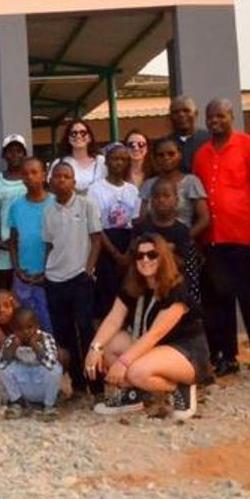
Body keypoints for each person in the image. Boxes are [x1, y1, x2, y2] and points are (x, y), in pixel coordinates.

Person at [193, 98, 250, 383]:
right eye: (210, 117)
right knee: (219, 303)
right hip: (213, 240)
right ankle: (228, 357)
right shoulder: (202, 153)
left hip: (246, 238)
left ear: (231, 116)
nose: (215, 121)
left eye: (220, 116)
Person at [87, 234, 207, 421]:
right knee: (108, 344)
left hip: (184, 350)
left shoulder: (177, 289)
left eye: (152, 255)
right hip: (153, 348)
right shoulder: (134, 285)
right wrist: (95, 348)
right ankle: (133, 395)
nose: (145, 260)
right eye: (139, 255)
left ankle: (180, 387)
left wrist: (123, 363)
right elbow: (114, 318)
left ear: (163, 257)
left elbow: (154, 334)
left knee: (136, 372)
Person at [42, 161, 102, 394]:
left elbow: (96, 239)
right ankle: (77, 382)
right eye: (57, 177)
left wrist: (89, 269)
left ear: (74, 182)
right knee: (63, 332)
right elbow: (49, 245)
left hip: (80, 277)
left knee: (85, 328)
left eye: (66, 176)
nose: (61, 180)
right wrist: (45, 271)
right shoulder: (48, 211)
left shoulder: (86, 205)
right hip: (54, 280)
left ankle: (96, 384)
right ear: (51, 181)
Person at [90, 144, 141, 321]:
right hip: (106, 244)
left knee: (128, 292)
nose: (118, 163)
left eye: (123, 159)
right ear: (107, 162)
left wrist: (128, 254)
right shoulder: (95, 189)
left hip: (129, 244)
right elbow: (96, 226)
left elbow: (136, 224)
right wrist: (116, 255)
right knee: (107, 296)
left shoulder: (132, 190)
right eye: (114, 159)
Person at [134, 179, 201, 305]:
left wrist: (158, 250)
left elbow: (182, 262)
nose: (161, 200)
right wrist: (167, 249)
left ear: (176, 200)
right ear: (151, 201)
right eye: (156, 196)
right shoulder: (141, 227)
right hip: (144, 285)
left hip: (172, 285)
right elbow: (133, 255)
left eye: (166, 196)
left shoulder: (182, 230)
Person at [6, 157, 54, 331]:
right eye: (25, 174)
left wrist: (47, 271)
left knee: (49, 324)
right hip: (24, 278)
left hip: (50, 277)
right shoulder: (17, 206)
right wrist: (17, 270)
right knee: (24, 325)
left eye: (34, 172)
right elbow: (12, 242)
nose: (30, 177)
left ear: (44, 175)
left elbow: (60, 244)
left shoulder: (55, 203)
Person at [0, 309, 63, 421]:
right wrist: (13, 346)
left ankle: (49, 407)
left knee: (56, 370)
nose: (25, 332)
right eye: (20, 329)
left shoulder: (46, 338)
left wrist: (35, 345)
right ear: (14, 330)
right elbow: (0, 362)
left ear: (37, 326)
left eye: (29, 327)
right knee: (3, 369)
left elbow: (51, 362)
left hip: (41, 384)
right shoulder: (12, 340)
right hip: (24, 384)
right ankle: (18, 404)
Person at [139, 139, 210, 238]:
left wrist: (182, 240)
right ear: (155, 158)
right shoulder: (148, 184)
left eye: (171, 154)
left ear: (180, 155)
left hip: (182, 244)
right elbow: (142, 219)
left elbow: (204, 219)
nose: (166, 158)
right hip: (153, 244)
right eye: (161, 155)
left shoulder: (191, 182)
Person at [0, 135, 29, 292]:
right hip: (3, 245)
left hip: (27, 245)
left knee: (26, 287)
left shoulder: (30, 178)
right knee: (3, 289)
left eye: (19, 151)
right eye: (10, 151)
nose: (14, 155)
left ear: (24, 154)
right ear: (4, 155)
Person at [51, 118, 107, 195]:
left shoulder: (101, 161)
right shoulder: (59, 163)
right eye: (74, 133)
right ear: (68, 138)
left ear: (89, 138)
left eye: (83, 132)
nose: (78, 136)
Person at [167, 95, 210, 174]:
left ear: (196, 113)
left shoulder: (210, 140)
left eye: (186, 111)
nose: (181, 115)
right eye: (176, 112)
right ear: (170, 117)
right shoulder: (164, 145)